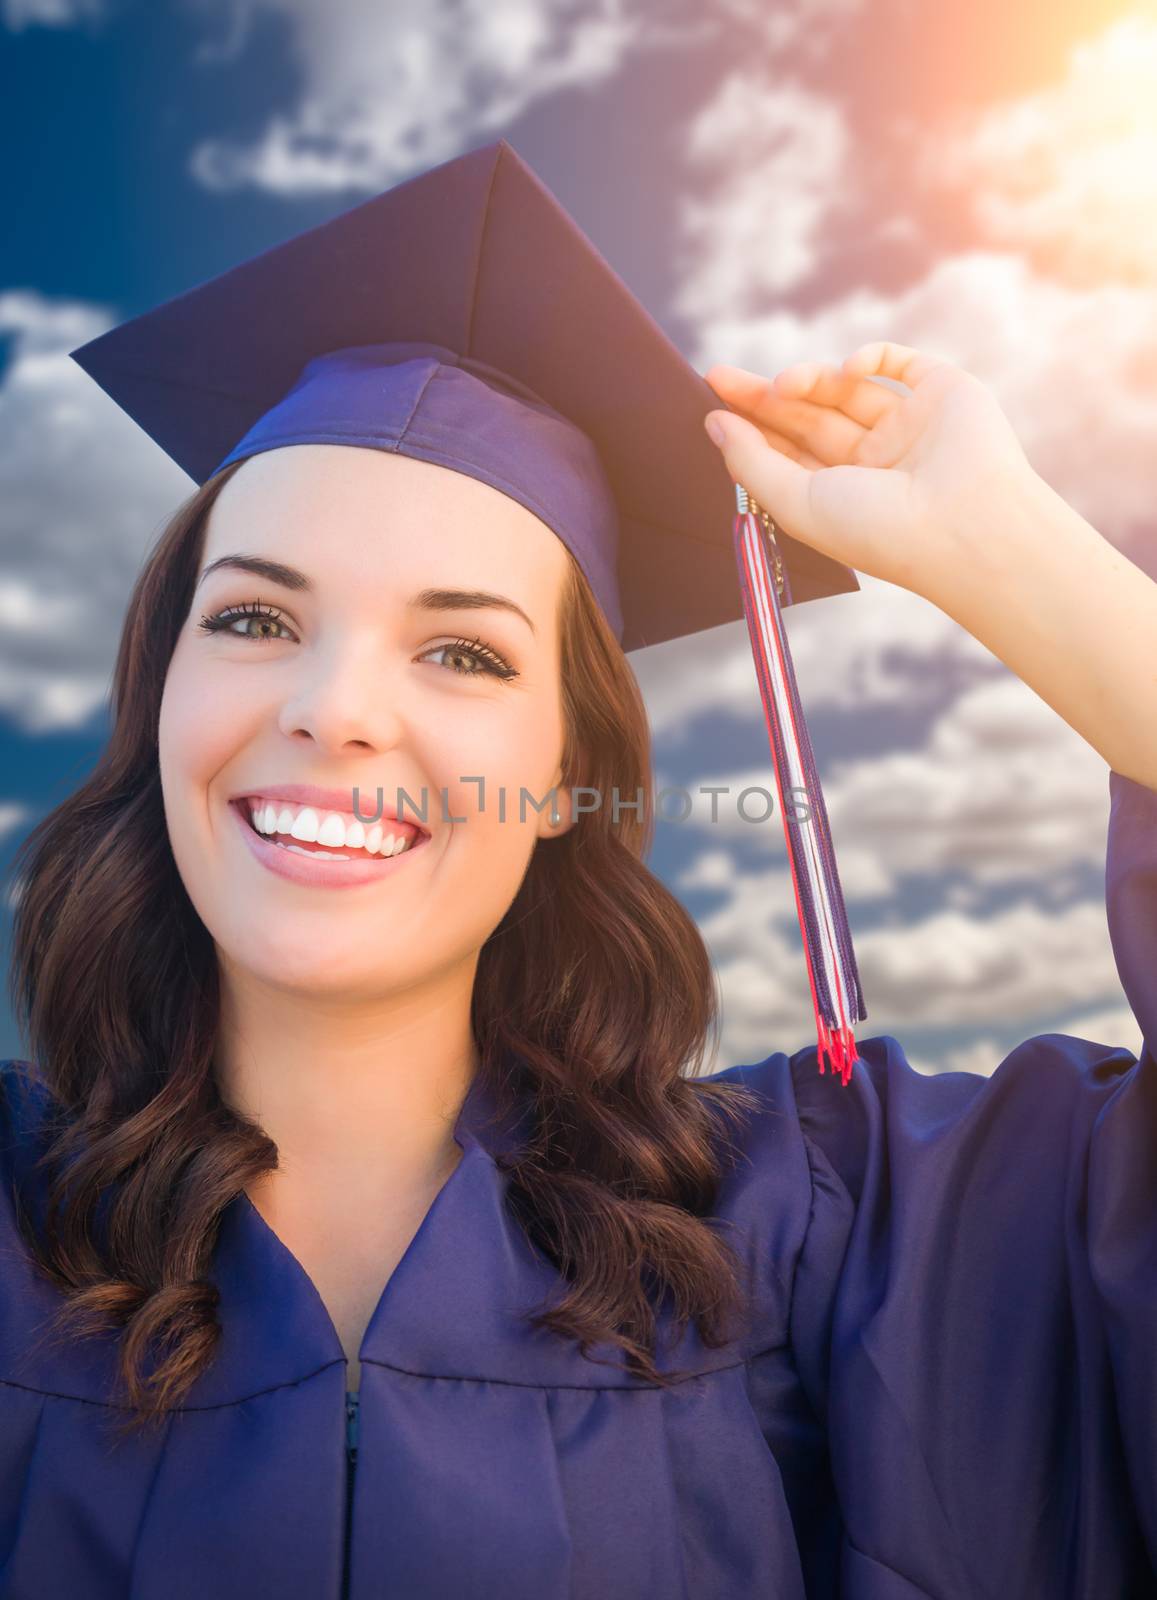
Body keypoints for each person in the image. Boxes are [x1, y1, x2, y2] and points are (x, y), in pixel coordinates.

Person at [1, 138, 1153, 1599]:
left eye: (462, 651)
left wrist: (1008, 548)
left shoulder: (826, 1234)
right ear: (159, 689)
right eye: (251, 621)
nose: (332, 706)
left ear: (559, 776)